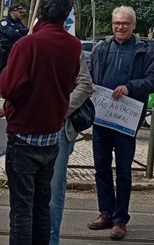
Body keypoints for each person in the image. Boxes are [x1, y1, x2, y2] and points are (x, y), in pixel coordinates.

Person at [0, 0, 81, 245]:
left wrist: (6, 74)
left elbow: (9, 88)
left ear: (41, 10)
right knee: (42, 205)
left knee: (22, 208)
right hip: (52, 134)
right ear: (66, 15)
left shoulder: (27, 44)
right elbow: (70, 83)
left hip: (24, 135)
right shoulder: (73, 45)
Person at [87, 6, 154, 241]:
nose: (120, 27)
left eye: (125, 23)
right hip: (102, 116)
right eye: (117, 23)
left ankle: (120, 219)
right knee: (101, 167)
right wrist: (90, 85)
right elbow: (88, 73)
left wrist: (130, 87)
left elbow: (152, 80)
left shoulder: (144, 50)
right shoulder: (101, 48)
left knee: (124, 170)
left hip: (127, 119)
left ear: (133, 25)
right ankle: (105, 212)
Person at [49, 51, 94, 245]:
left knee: (53, 189)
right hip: (29, 127)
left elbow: (85, 84)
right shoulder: (27, 43)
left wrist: (60, 111)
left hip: (60, 127)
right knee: (28, 193)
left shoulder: (71, 48)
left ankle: (51, 241)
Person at [0, 4, 28, 109]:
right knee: (1, 76)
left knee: (15, 76)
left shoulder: (19, 23)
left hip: (16, 53)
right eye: (19, 12)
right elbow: (12, 34)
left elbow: (26, 33)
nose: (21, 14)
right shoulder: (4, 22)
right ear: (12, 12)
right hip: (6, 53)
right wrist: (19, 33)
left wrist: (19, 32)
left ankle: (8, 102)